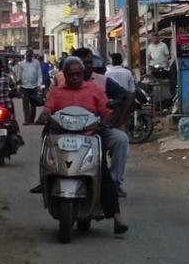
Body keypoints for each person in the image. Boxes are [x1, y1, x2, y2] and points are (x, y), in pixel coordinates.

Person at [36, 57, 128, 235]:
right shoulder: (57, 91)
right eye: (72, 74)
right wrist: (43, 116)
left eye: (79, 74)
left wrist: (105, 122)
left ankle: (116, 217)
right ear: (65, 75)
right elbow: (48, 108)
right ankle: (44, 183)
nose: (76, 77)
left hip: (89, 137)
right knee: (50, 160)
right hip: (63, 137)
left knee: (102, 171)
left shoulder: (94, 89)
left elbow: (106, 111)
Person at [76, 48, 132, 197]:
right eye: (82, 63)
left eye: (89, 63)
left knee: (121, 139)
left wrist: (116, 121)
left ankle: (114, 182)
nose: (87, 66)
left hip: (97, 128)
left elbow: (125, 96)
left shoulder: (101, 81)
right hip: (69, 129)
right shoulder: (61, 81)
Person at [14, 50, 43, 124]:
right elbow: (19, 74)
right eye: (27, 55)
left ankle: (31, 120)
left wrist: (39, 85)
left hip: (34, 87)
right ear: (25, 56)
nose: (29, 57)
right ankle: (26, 120)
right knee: (25, 105)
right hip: (24, 87)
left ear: (32, 56)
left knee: (33, 105)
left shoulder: (36, 63)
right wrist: (18, 83)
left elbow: (39, 74)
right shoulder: (22, 64)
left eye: (30, 55)